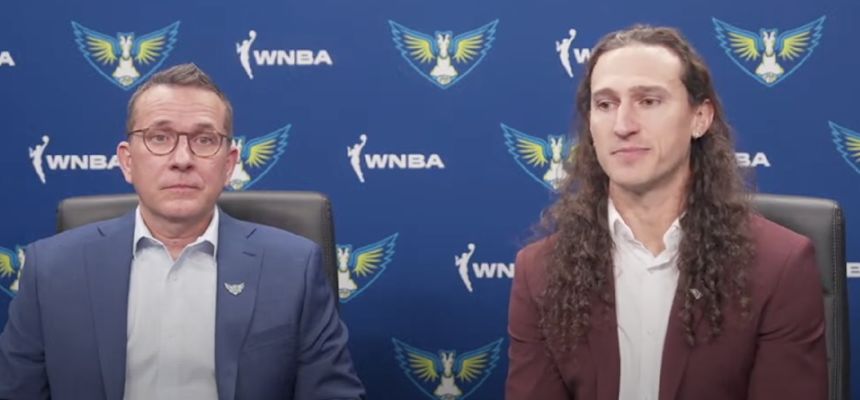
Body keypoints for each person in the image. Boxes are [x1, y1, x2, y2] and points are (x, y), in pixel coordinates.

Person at [0, 63, 365, 399]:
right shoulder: (50, 269)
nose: (182, 159)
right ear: (128, 161)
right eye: (160, 137)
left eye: (204, 140)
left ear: (229, 164)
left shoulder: (293, 268)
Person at [506, 25, 826, 400]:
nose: (623, 125)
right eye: (605, 104)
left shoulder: (780, 266)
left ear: (700, 118)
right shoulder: (539, 272)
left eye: (648, 101)